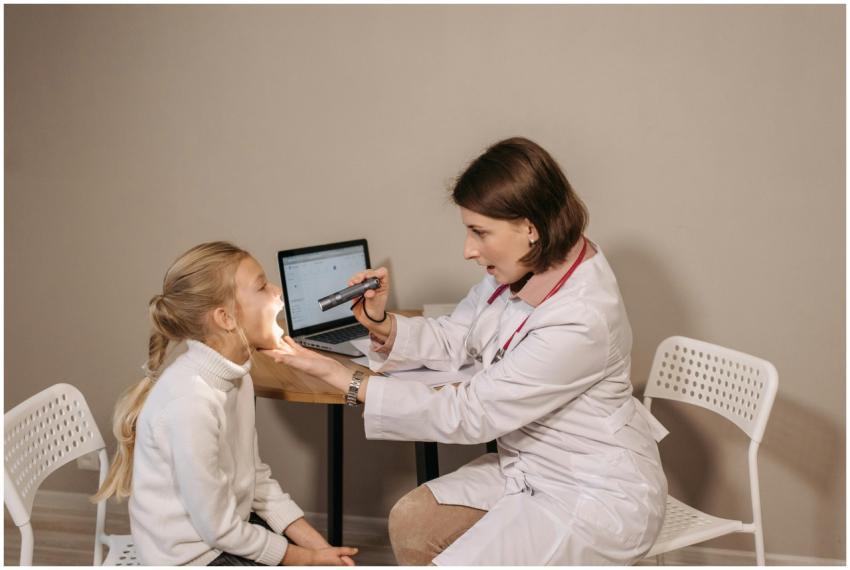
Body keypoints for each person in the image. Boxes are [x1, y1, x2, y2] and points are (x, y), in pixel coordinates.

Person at [264, 137, 669, 565]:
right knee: (411, 521)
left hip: (593, 491)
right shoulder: (527, 261)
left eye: (479, 232)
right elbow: (460, 335)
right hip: (529, 465)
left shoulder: (582, 319)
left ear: (529, 227)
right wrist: (383, 324)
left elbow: (470, 413)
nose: (468, 250)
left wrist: (350, 381)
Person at [92, 242, 358, 566]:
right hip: (194, 557)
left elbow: (255, 478)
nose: (277, 292)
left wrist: (319, 548)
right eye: (262, 286)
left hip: (228, 529)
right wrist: (304, 559)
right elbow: (219, 530)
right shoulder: (191, 403)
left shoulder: (238, 377)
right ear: (226, 318)